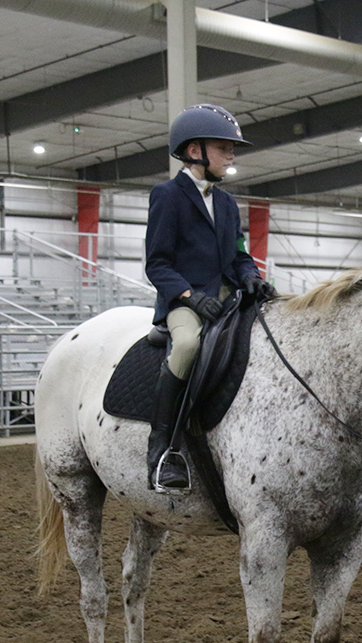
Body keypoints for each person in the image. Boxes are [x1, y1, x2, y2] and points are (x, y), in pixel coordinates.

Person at [144, 103, 277, 492]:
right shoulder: (167, 196)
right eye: (224, 147)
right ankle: (163, 450)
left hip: (227, 299)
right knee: (186, 345)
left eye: (231, 149)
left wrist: (252, 277)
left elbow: (238, 255)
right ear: (193, 150)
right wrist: (189, 297)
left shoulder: (226, 203)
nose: (231, 155)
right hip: (186, 303)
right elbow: (158, 263)